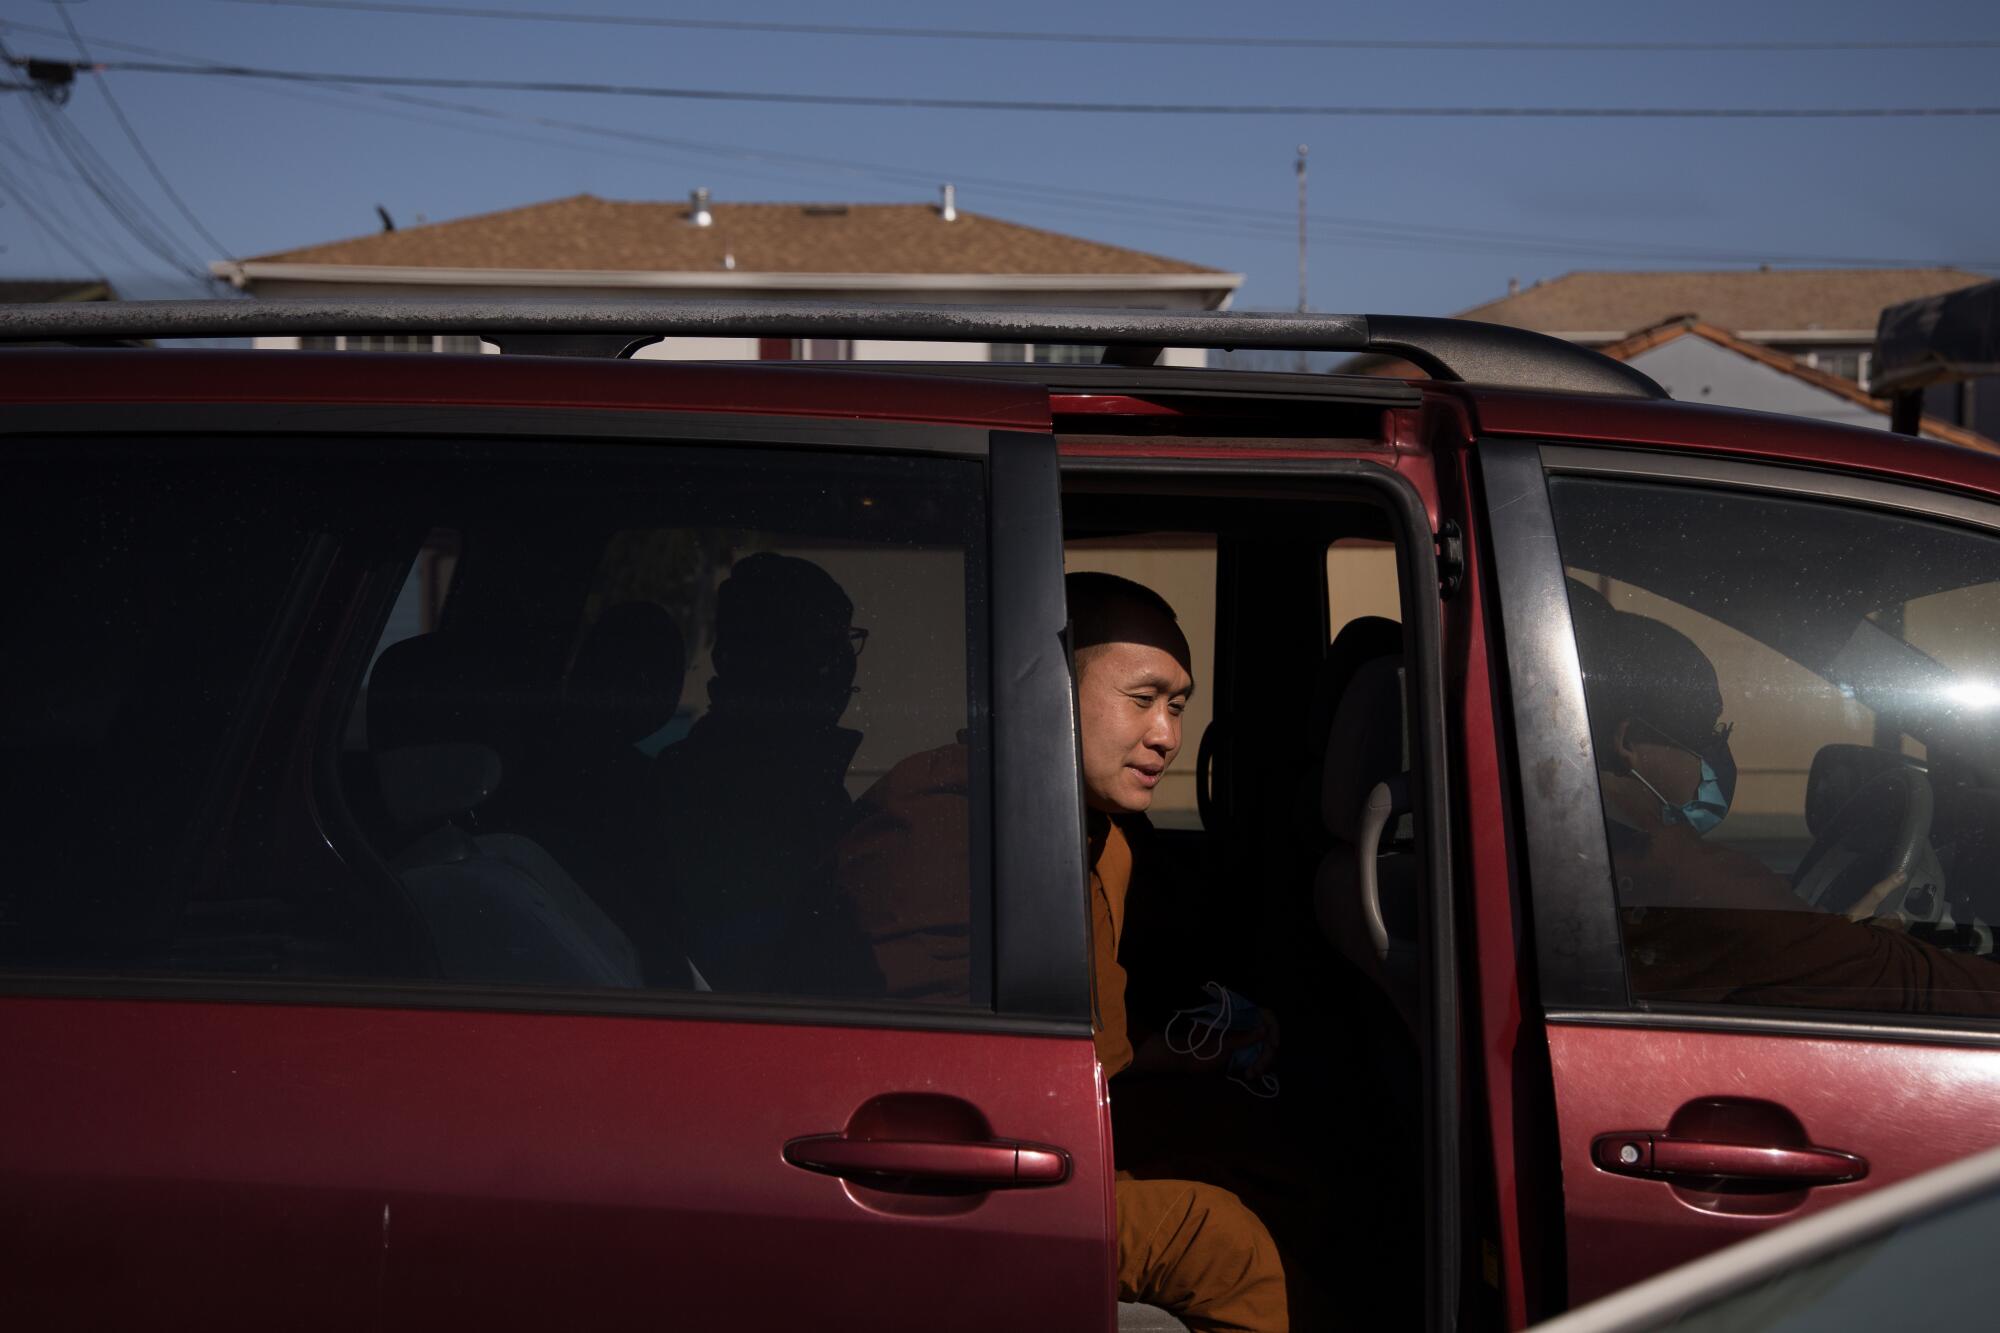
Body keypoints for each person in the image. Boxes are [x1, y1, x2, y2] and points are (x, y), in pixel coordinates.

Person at [1571, 588, 2000, 1016]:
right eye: (1709, 732)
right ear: (1627, 741)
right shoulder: (1690, 880)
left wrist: (1828, 938)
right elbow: (1911, 984)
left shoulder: (1586, 853)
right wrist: (1859, 946)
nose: (1719, 754)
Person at [1069, 571, 1290, 1333]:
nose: (1166, 735)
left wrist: (1179, 1054)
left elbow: (1094, 1054)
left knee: (1261, 1150)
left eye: (1177, 706)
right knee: (1223, 1247)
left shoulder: (1107, 842)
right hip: (1003, 1174)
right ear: (1052, 683)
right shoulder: (949, 831)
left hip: (1082, 1118)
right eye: (1142, 699)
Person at [648, 553, 883, 996]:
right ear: (768, 655)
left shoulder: (783, 774)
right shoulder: (733, 789)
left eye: (845, 640)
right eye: (825, 641)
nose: (842, 662)